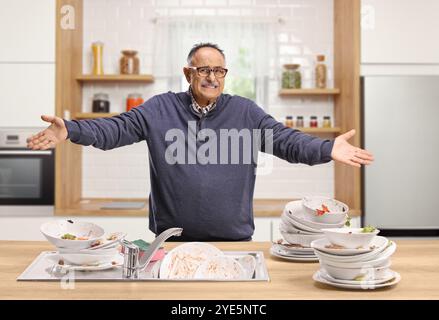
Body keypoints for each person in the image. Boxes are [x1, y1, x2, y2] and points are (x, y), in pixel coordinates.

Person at [27, 43, 374, 241]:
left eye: (218, 70)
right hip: (171, 241)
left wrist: (327, 148)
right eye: (203, 69)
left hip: (234, 240)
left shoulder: (245, 113)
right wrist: (71, 130)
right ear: (188, 74)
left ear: (225, 75)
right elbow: (113, 130)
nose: (211, 76)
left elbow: (287, 141)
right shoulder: (160, 109)